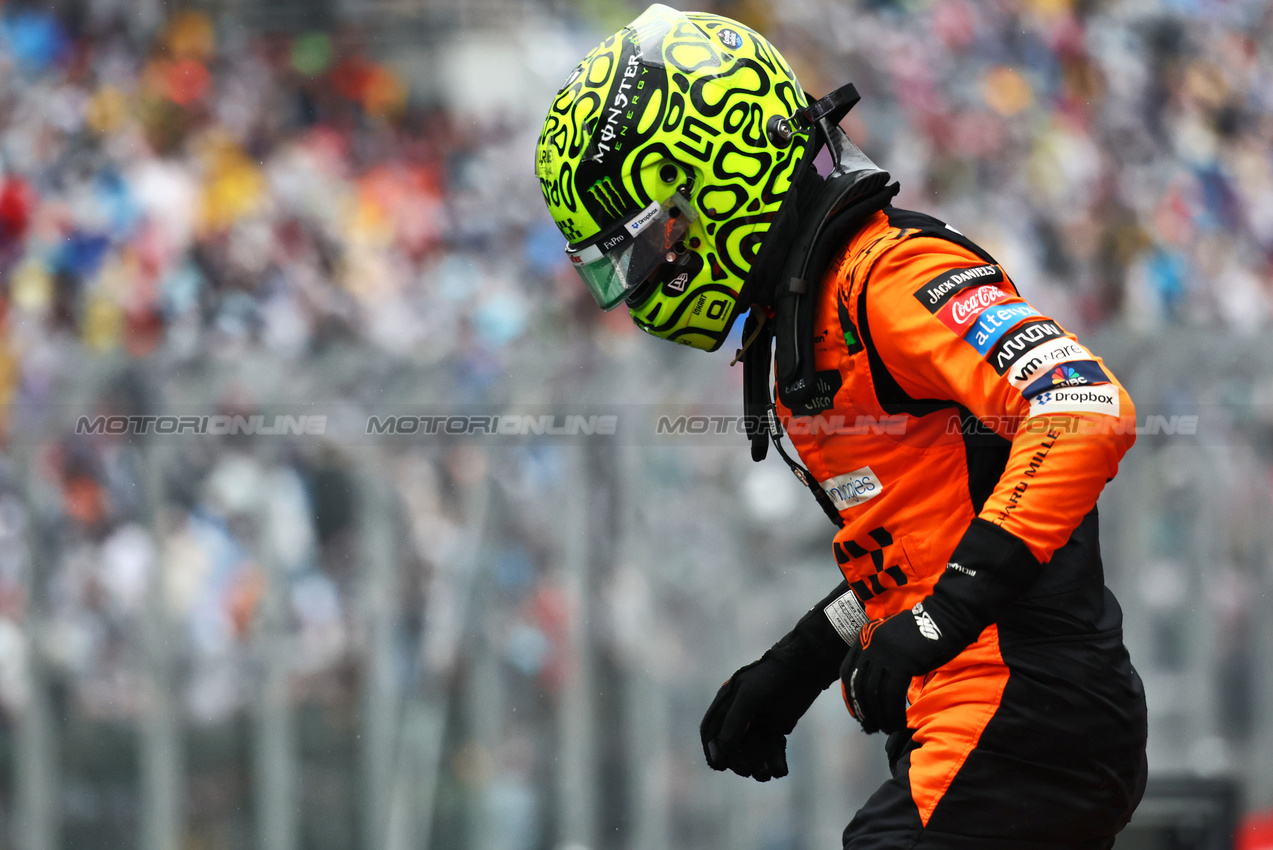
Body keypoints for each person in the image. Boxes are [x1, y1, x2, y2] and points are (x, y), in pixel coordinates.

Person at [534, 5, 1148, 848]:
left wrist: (938, 622)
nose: (644, 283)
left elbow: (1083, 407)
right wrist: (802, 660)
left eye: (649, 244)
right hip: (999, 724)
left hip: (1020, 712)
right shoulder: (813, 308)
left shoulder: (889, 276)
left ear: (721, 171)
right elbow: (925, 538)